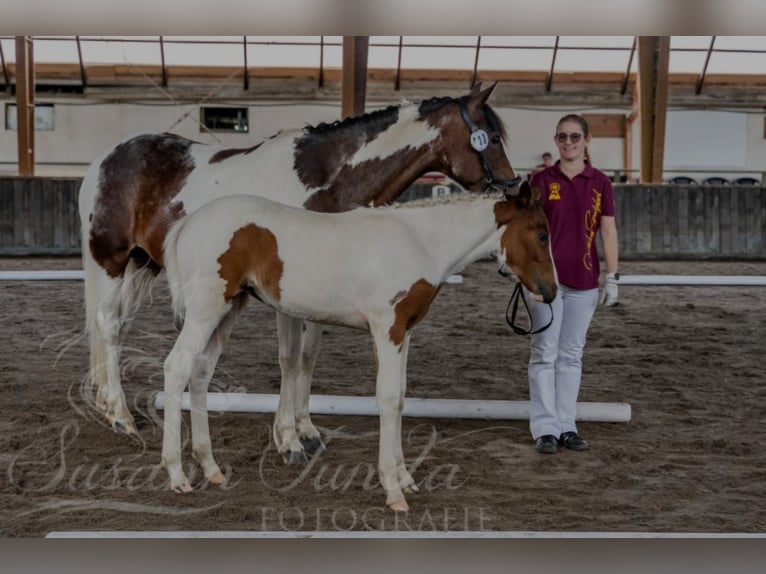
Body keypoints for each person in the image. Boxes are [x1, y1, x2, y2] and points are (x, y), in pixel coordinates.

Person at [526, 114, 619, 455]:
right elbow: (527, 232)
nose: (568, 142)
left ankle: (567, 424)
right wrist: (527, 275)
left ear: (587, 140)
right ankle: (544, 427)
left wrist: (614, 274)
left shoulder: (601, 183)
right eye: (562, 137)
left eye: (575, 137)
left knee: (571, 355)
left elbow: (607, 231)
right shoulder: (539, 180)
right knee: (544, 352)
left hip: (584, 280)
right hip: (546, 283)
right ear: (556, 141)